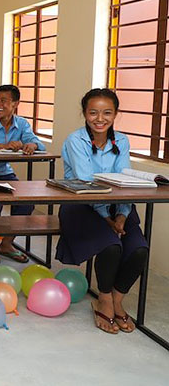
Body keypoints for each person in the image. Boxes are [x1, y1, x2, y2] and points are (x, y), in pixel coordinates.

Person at [56, 88, 148, 334]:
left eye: (107, 112)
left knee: (139, 250)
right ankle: (104, 299)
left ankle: (117, 298)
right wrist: (107, 217)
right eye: (93, 112)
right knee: (111, 246)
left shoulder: (122, 140)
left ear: (116, 113)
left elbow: (124, 180)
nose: (100, 118)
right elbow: (87, 183)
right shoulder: (77, 140)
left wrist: (121, 215)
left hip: (118, 208)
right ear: (84, 113)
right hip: (81, 206)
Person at [0, 84, 45, 263]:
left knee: (26, 202)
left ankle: (7, 242)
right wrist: (6, 145)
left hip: (4, 172)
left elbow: (37, 143)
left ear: (15, 104)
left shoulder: (22, 124)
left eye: (3, 100)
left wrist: (31, 146)